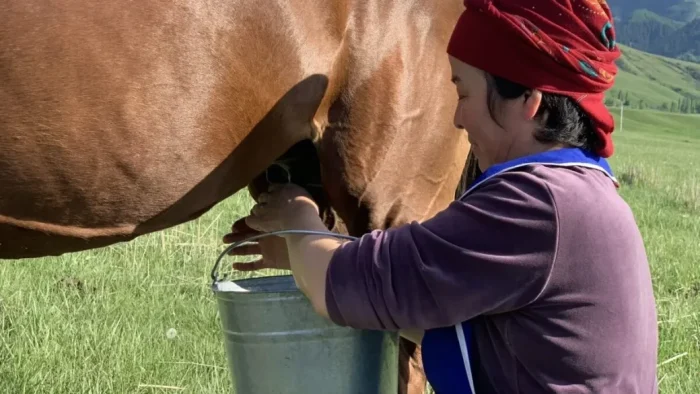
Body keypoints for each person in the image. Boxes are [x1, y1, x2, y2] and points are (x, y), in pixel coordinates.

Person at [223, 0, 659, 392]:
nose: (456, 117)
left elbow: (335, 287)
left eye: (464, 92)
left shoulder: (538, 206)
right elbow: (439, 313)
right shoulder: (581, 193)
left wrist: (296, 213)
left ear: (529, 100)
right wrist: (304, 253)